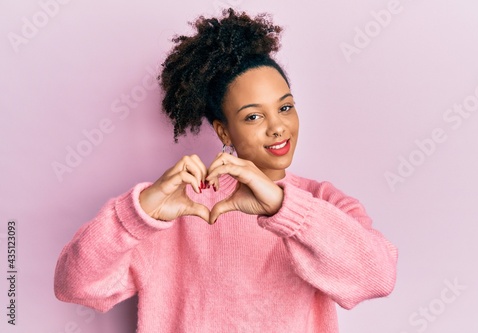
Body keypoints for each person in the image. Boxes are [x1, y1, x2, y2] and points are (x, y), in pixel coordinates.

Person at [54, 8, 398, 332]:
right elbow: (75, 286)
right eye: (253, 116)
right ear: (223, 131)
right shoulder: (173, 208)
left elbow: (377, 278)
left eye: (286, 107)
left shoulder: (323, 202)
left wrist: (285, 209)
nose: (278, 127)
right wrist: (136, 214)